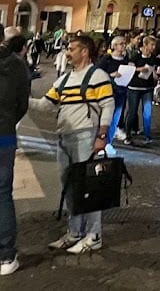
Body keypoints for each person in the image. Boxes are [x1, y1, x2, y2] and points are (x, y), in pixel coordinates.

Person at [28, 35, 114, 254]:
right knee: (70, 187)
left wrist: (101, 137)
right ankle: (74, 232)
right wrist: (20, 97)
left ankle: (94, 235)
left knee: (89, 187)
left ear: (84, 51)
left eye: (72, 49)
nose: (67, 52)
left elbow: (108, 106)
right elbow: (46, 104)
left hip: (86, 135)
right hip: (64, 137)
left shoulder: (98, 75)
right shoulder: (65, 79)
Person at [0, 30, 30, 275]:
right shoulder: (17, 65)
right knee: (2, 195)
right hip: (5, 135)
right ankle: (6, 256)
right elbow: (23, 103)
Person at [123, 35, 160, 145]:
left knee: (147, 113)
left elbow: (156, 67)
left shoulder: (153, 58)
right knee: (132, 112)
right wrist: (139, 69)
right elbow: (128, 69)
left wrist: (155, 74)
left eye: (154, 45)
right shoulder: (135, 56)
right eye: (151, 45)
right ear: (145, 45)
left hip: (147, 88)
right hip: (134, 87)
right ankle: (128, 134)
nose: (153, 47)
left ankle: (147, 135)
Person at [97, 36, 130, 154]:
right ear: (114, 46)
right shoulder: (107, 59)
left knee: (115, 119)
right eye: (121, 44)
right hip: (108, 92)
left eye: (124, 43)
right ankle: (100, 143)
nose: (123, 46)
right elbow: (98, 73)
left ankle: (109, 143)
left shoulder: (125, 58)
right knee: (105, 119)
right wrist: (111, 75)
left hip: (121, 90)